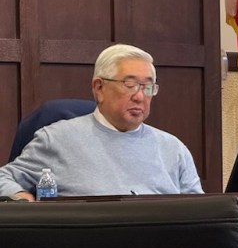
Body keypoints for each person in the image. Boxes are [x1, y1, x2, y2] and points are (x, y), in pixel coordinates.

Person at [0, 44, 203, 199]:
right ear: (99, 88)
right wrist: (21, 198)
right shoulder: (57, 139)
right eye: (130, 85)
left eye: (147, 87)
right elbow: (4, 178)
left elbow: (201, 213)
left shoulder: (173, 149)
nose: (140, 97)